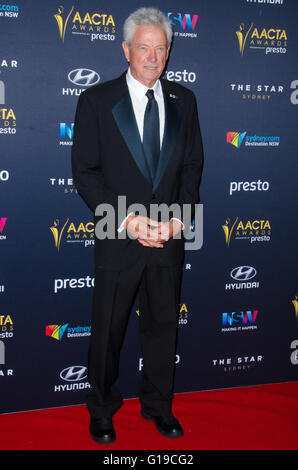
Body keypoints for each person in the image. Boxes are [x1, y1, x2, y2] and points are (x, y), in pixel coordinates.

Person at [71, 7, 203, 445]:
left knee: (164, 327)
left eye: (160, 48)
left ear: (169, 52)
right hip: (117, 234)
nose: (152, 56)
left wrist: (176, 221)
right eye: (143, 47)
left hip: (167, 238)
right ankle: (102, 409)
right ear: (126, 50)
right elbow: (85, 173)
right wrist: (128, 220)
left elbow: (191, 169)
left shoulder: (186, 100)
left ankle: (159, 406)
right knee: (107, 329)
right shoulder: (96, 100)